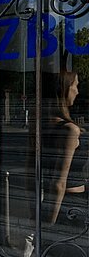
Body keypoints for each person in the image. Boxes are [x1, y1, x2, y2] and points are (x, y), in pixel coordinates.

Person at [41, 71, 87, 227]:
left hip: (54, 202)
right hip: (70, 206)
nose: (77, 92)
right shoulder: (70, 130)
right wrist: (50, 224)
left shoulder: (45, 125)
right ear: (66, 89)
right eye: (75, 86)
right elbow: (59, 181)